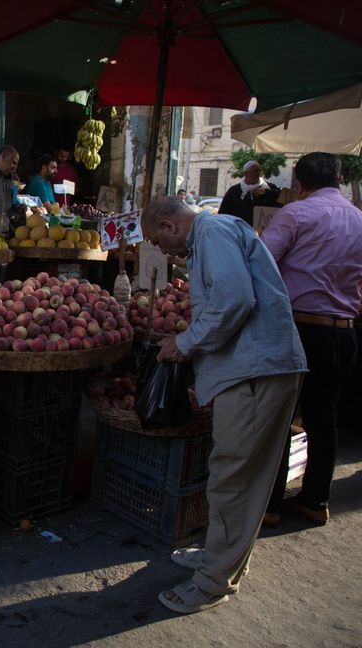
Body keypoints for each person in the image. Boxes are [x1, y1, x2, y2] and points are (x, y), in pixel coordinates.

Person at [141, 196, 306, 615]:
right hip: (256, 368)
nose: (161, 251)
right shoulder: (218, 233)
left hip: (254, 371)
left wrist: (186, 342)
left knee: (234, 477)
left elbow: (234, 301)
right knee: (238, 473)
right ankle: (221, 558)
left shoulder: (212, 232)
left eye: (157, 240)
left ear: (169, 224)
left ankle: (213, 582)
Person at [261, 152, 362, 526]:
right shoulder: (359, 219)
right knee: (324, 417)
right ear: (339, 180)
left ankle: (268, 505)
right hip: (345, 333)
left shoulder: (296, 213)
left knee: (280, 415)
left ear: (299, 184)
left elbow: (262, 263)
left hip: (302, 330)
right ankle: (316, 501)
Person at [218, 159, 281, 226]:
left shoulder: (269, 187)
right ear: (246, 173)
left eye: (259, 170)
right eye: (255, 171)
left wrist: (267, 192)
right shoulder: (234, 191)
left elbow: (284, 201)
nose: (258, 173)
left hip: (264, 233)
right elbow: (223, 215)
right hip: (240, 233)